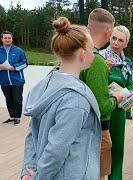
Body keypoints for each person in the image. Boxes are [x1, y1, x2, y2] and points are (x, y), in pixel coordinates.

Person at [21, 17, 101, 180]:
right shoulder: (75, 99)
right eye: (93, 49)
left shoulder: (45, 86)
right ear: (83, 54)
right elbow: (56, 150)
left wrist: (28, 169)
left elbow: (32, 135)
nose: (94, 54)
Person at [79, 8, 123, 180]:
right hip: (97, 131)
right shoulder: (96, 60)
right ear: (109, 31)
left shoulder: (80, 51)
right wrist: (116, 97)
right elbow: (102, 107)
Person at [99, 25, 133, 180]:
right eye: (114, 38)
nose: (116, 43)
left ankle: (116, 177)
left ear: (126, 44)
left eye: (121, 40)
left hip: (119, 109)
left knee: (117, 147)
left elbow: (129, 83)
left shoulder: (128, 62)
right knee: (101, 147)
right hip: (104, 108)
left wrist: (130, 93)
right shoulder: (99, 57)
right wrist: (105, 69)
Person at [0, 31, 28, 125]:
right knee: (8, 99)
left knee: (17, 99)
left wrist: (14, 68)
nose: (7, 39)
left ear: (12, 39)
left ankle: (17, 117)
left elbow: (24, 63)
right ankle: (12, 116)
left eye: (9, 38)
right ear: (2, 39)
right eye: (5, 38)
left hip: (17, 80)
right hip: (4, 80)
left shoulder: (19, 51)